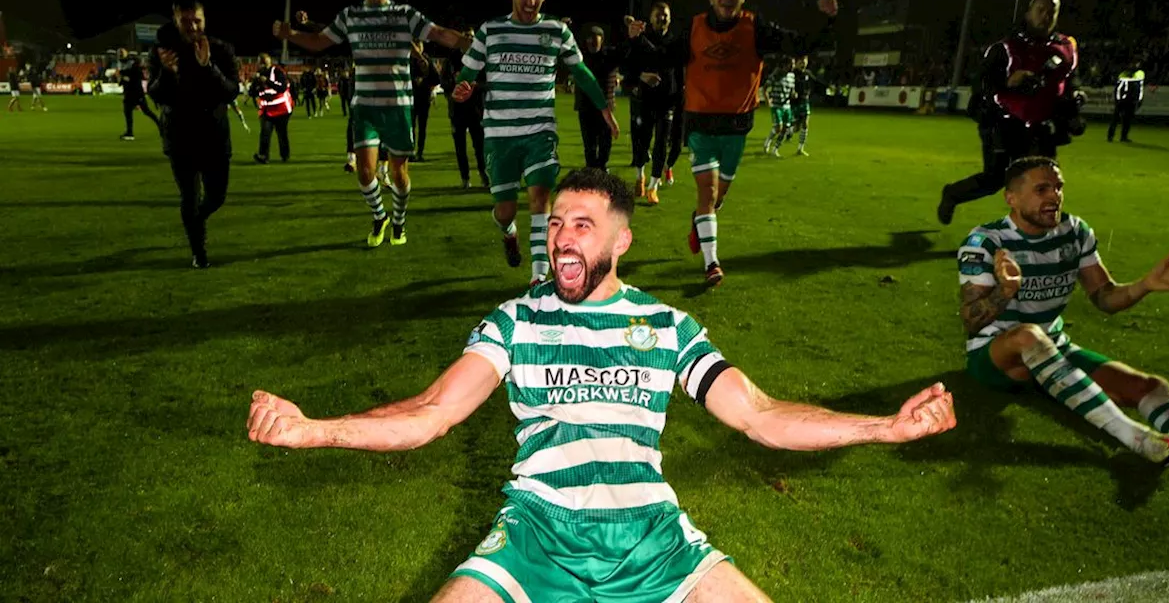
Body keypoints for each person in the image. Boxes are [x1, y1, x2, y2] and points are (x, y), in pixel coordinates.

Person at [246, 166, 958, 602]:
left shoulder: (667, 326)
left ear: (620, 241)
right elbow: (432, 412)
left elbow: (761, 415)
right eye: (556, 223)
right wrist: (314, 428)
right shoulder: (516, 319)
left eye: (582, 226)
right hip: (536, 536)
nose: (562, 239)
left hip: (654, 540)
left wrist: (885, 427)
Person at [958, 157, 1169, 489]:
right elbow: (971, 321)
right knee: (1027, 336)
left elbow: (1105, 297)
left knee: (1148, 387)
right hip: (996, 358)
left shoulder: (1075, 232)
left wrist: (1145, 285)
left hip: (1053, 352)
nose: (1054, 197)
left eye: (1058, 187)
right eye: (1042, 189)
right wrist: (1007, 290)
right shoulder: (986, 242)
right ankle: (1137, 438)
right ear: (1011, 198)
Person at [626, 0, 837, 286]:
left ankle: (700, 219)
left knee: (717, 198)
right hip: (699, 126)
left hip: (736, 128)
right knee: (707, 192)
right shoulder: (695, 29)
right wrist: (638, 41)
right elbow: (663, 56)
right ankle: (712, 264)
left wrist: (827, 20)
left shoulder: (756, 28)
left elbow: (799, 44)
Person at [272, 0, 472, 247]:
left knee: (398, 174)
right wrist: (290, 35)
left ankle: (399, 222)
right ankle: (380, 216)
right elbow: (318, 41)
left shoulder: (404, 14)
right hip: (364, 106)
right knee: (365, 172)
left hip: (398, 107)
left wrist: (473, 42)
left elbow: (440, 33)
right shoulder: (350, 16)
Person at [453, 0, 619, 285]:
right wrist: (463, 87)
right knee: (506, 211)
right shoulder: (490, 30)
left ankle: (538, 276)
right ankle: (509, 233)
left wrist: (603, 107)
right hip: (500, 136)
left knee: (540, 197)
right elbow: (468, 73)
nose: (531, 2)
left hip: (540, 131)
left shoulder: (556, 31)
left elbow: (581, 72)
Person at [937, 0, 1086, 226]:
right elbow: (980, 83)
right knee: (995, 179)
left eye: (1051, 12)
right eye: (1040, 10)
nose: (1045, 16)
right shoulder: (1006, 47)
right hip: (1003, 121)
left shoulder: (1066, 47)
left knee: (1042, 180)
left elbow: (1070, 79)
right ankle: (953, 194)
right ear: (1028, 13)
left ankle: (1033, 235)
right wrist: (1008, 82)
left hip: (1042, 126)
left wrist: (1074, 98)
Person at [147, 0, 240, 268]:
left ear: (204, 20)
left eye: (196, 20)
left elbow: (232, 91)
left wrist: (207, 66)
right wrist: (167, 72)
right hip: (180, 136)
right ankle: (198, 253)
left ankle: (196, 222)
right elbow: (155, 94)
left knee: (217, 196)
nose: (192, 27)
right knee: (189, 196)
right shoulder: (163, 53)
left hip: (214, 136)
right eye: (185, 21)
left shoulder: (221, 50)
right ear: (176, 20)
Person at [622, 2, 683, 203]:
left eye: (665, 15)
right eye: (658, 15)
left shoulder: (676, 43)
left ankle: (653, 186)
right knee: (641, 142)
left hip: (667, 102)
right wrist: (642, 76)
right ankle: (640, 176)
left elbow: (680, 72)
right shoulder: (640, 40)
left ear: (670, 18)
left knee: (661, 145)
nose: (662, 18)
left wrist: (681, 95)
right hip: (644, 100)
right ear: (651, 17)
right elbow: (627, 67)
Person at [440, 27, 488, 189]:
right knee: (460, 147)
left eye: (471, 37)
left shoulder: (481, 59)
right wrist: (454, 85)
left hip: (476, 110)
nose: (469, 39)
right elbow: (443, 83)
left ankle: (484, 174)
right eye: (466, 36)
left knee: (480, 146)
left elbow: (489, 83)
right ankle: (465, 178)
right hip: (457, 111)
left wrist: (476, 85)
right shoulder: (451, 59)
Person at [575, 24, 622, 172]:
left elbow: (626, 53)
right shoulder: (580, 56)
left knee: (605, 142)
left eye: (596, 41)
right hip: (585, 106)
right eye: (590, 41)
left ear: (602, 41)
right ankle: (591, 169)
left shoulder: (609, 56)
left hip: (605, 106)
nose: (593, 44)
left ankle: (601, 167)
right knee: (589, 144)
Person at [253, 52, 293, 163]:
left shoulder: (277, 72)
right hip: (267, 110)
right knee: (265, 133)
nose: (261, 65)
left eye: (263, 62)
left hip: (281, 109)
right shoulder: (258, 74)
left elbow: (282, 88)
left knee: (282, 134)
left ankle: (285, 155)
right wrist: (256, 84)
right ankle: (263, 156)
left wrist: (267, 81)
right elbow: (253, 91)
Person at [117, 48, 160, 140]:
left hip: (136, 93)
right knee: (129, 112)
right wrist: (122, 79)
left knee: (146, 112)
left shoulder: (133, 66)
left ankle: (161, 126)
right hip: (130, 93)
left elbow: (134, 77)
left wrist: (124, 77)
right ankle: (129, 133)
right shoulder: (125, 65)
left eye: (121, 54)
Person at [410, 39, 441, 162]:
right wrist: (414, 80)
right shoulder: (408, 60)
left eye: (419, 44)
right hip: (411, 98)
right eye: (416, 44)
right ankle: (411, 151)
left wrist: (425, 82)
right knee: (410, 127)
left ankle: (420, 152)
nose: (418, 47)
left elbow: (436, 79)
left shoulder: (427, 60)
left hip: (423, 98)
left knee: (422, 127)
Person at [761, 57, 795, 157]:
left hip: (787, 106)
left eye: (793, 64)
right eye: (790, 64)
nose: (792, 66)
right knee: (778, 128)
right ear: (785, 65)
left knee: (785, 128)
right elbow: (765, 88)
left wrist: (794, 94)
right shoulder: (776, 75)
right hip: (776, 105)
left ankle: (775, 149)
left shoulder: (792, 76)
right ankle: (768, 140)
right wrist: (768, 100)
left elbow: (792, 89)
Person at [1108, 60, 1144, 143]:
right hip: (1124, 101)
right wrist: (1118, 99)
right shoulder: (1126, 76)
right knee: (1117, 118)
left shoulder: (1135, 76)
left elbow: (1118, 89)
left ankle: (1122, 136)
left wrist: (1137, 100)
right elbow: (1118, 89)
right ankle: (1112, 136)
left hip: (1129, 101)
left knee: (1125, 119)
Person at [791, 54, 819, 156]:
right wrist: (792, 92)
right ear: (797, 63)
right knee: (795, 127)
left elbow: (816, 83)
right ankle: (788, 131)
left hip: (804, 101)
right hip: (793, 104)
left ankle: (800, 148)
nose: (803, 64)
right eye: (801, 62)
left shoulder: (808, 74)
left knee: (805, 123)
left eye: (805, 61)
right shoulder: (792, 74)